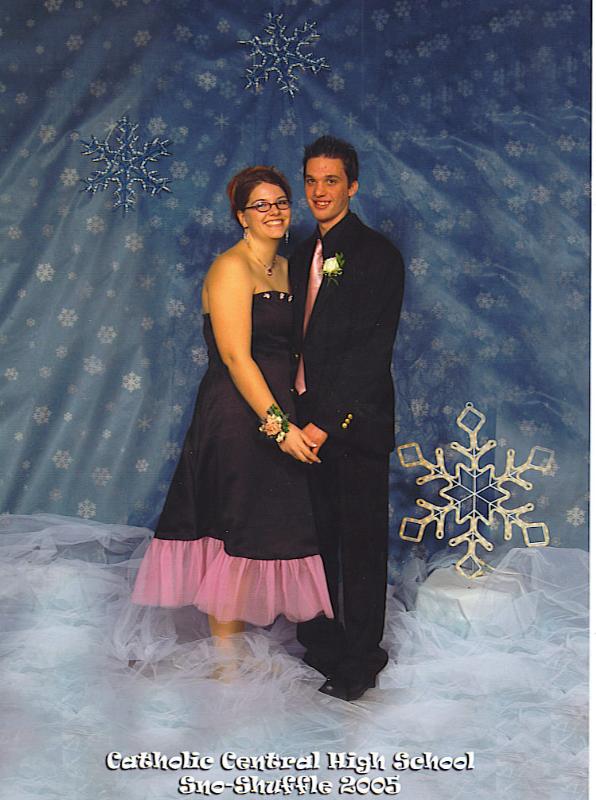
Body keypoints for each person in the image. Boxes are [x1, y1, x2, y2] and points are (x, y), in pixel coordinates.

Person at [131, 166, 333, 652]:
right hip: (239, 415)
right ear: (241, 216)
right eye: (261, 205)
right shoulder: (230, 268)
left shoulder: (289, 267)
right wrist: (279, 427)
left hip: (280, 407)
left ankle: (236, 655)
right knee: (233, 525)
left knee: (262, 525)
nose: (274, 212)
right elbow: (235, 357)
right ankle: (226, 665)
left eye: (281, 202)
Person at [290, 136, 404, 701]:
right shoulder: (298, 254)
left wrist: (325, 421)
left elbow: (369, 354)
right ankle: (324, 642)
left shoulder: (378, 255)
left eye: (331, 180)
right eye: (311, 180)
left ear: (352, 186)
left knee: (358, 546)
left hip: (353, 425)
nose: (319, 192)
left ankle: (361, 659)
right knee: (315, 537)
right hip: (303, 420)